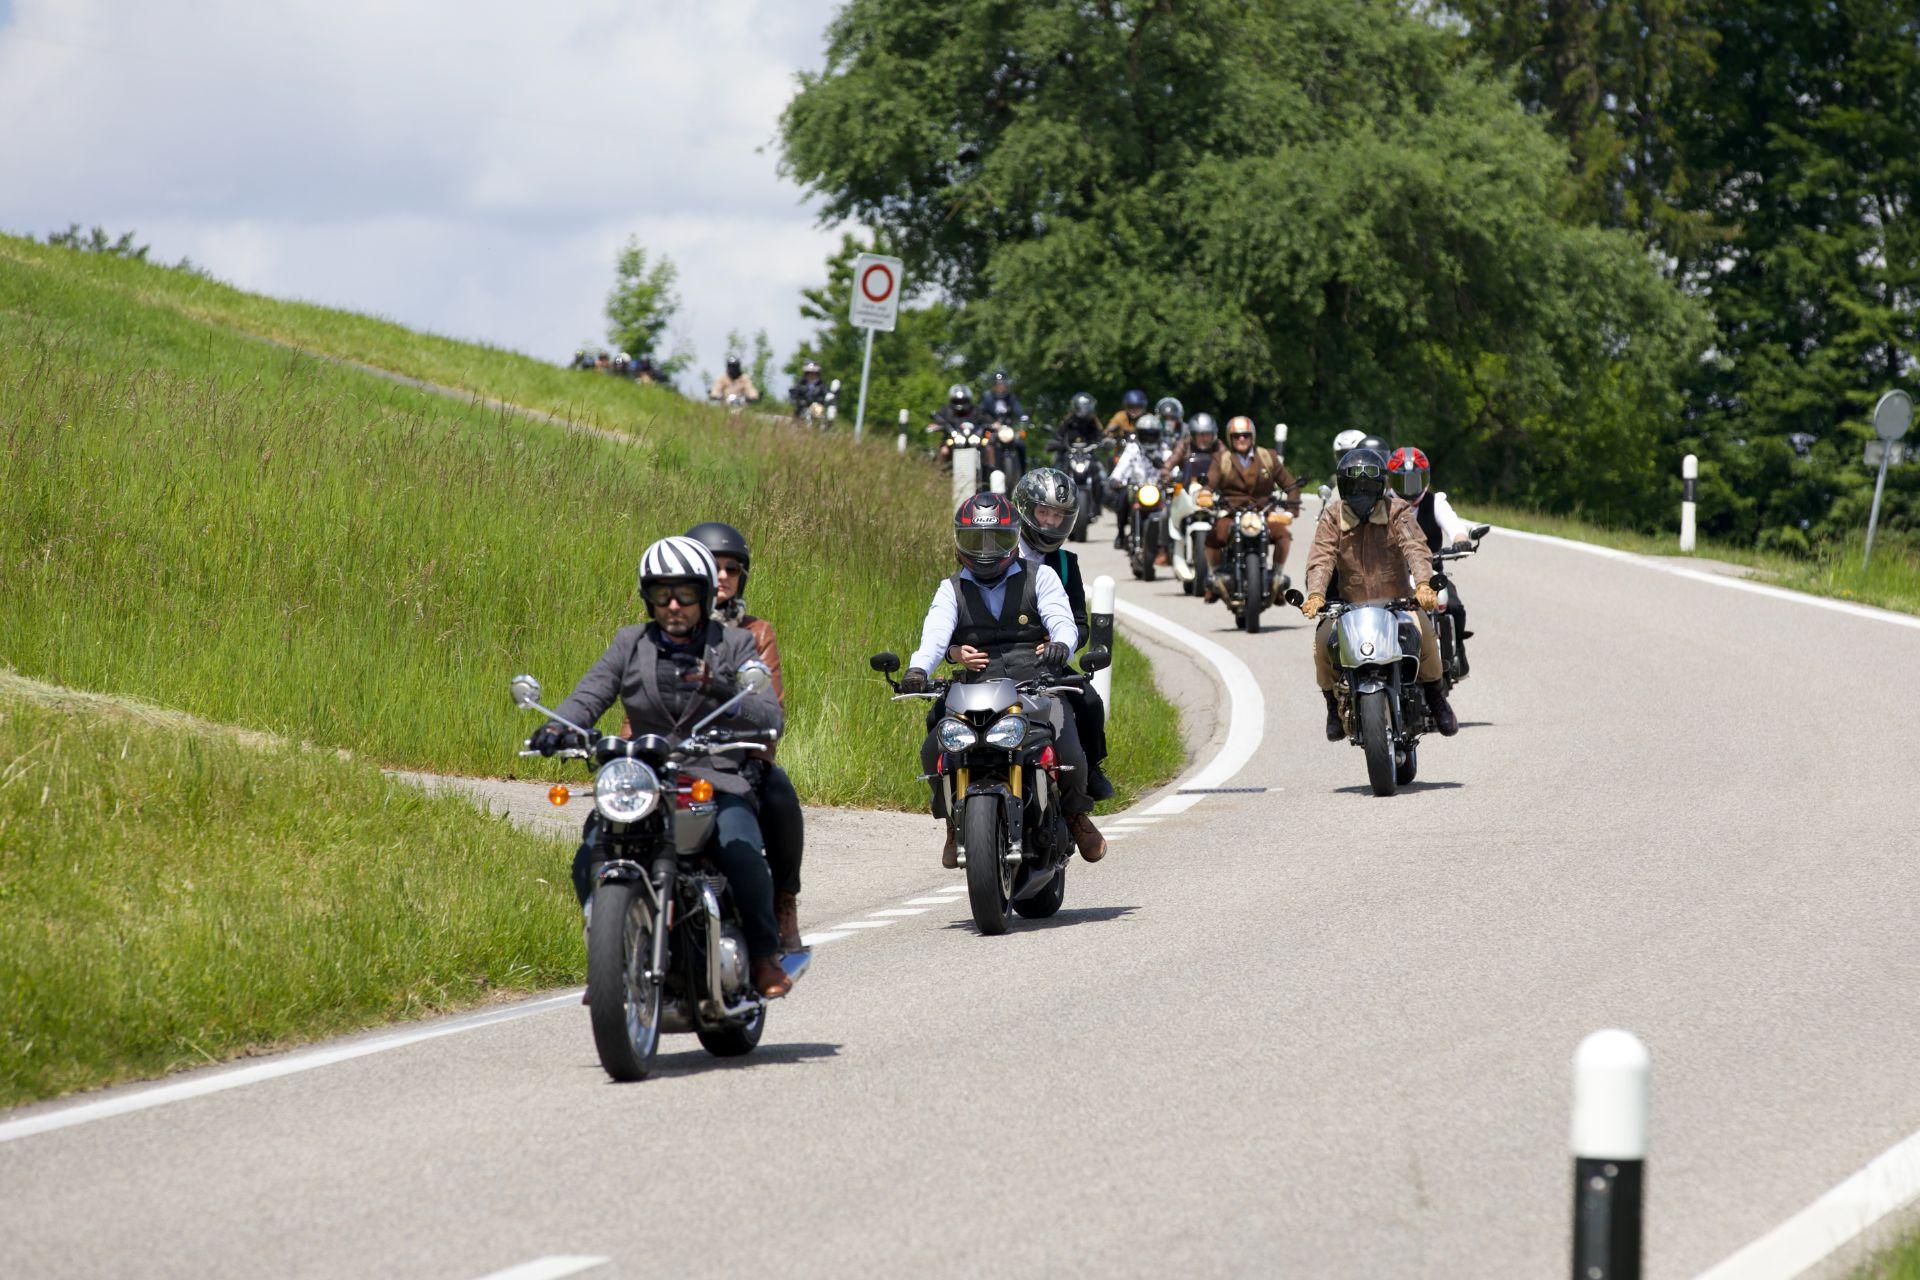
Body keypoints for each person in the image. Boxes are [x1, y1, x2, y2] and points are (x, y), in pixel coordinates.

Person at [532, 535, 791, 998]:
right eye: (661, 594)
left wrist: (722, 689)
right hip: (644, 777)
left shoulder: (734, 645)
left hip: (713, 777)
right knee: (589, 853)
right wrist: (558, 726)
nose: (674, 605)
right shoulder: (630, 643)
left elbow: (770, 715)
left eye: (686, 594)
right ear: (647, 598)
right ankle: (610, 954)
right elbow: (591, 692)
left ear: (705, 595)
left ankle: (763, 956)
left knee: (741, 852)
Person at [900, 494, 1107, 867]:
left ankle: (1075, 814)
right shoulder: (951, 589)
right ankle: (953, 823)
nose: (986, 551)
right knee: (933, 749)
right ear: (959, 541)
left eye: (996, 538)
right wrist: (918, 670)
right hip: (975, 689)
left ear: (1013, 538)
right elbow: (934, 638)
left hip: (1037, 683)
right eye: (975, 540)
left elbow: (1062, 619)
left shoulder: (1041, 575)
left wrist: (1061, 645)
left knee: (1070, 752)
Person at [1300, 450, 1458, 742]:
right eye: (1354, 486)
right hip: (1349, 606)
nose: (1361, 493)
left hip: (1397, 602)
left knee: (1426, 635)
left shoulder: (1397, 510)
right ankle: (1332, 708)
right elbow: (1321, 556)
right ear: (1343, 487)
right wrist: (1316, 594)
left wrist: (1424, 584)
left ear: (1381, 486)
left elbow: (1415, 547)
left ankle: (1437, 699)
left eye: (1368, 486)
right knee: (1322, 644)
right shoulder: (1332, 516)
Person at [1010, 468, 1113, 800]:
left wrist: (1062, 645)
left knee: (1090, 702)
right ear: (1025, 509)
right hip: (1001, 654)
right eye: (1044, 512)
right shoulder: (1000, 553)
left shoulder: (1067, 563)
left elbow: (1080, 623)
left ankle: (1091, 769)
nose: (1051, 523)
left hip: (1048, 661)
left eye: (1058, 516)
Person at [1388, 446, 1474, 677]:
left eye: (1414, 481)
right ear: (1392, 481)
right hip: (1392, 575)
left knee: (1454, 607)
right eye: (1403, 481)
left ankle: (1457, 653)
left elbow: (1453, 524)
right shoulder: (1382, 505)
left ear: (1424, 479)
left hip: (1431, 572)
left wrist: (1461, 540)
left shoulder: (1435, 502)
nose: (1409, 488)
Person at [1203, 416, 1301, 597]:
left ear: (1252, 436)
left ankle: (1277, 578)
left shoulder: (1268, 457)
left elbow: (1292, 486)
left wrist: (1289, 512)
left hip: (1264, 514)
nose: (1241, 439)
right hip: (1232, 513)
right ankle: (1216, 579)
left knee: (1283, 535)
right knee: (1212, 537)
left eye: (1246, 435)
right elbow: (1209, 483)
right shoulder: (1221, 459)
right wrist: (1205, 494)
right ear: (1230, 438)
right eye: (1236, 436)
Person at [1106, 412, 1167, 549]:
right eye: (1145, 435)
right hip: (1136, 488)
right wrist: (1115, 479)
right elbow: (1122, 465)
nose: (1149, 438)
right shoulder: (1132, 448)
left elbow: (1171, 467)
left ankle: (1168, 542)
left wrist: (1173, 475)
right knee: (1122, 500)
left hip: (1159, 490)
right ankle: (1121, 533)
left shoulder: (1164, 448)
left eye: (1152, 435)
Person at [1162, 411, 1221, 486]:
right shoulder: (1185, 444)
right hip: (1186, 487)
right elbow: (1171, 462)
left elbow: (1228, 462)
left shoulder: (1218, 446)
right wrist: (1166, 473)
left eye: (1208, 434)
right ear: (1193, 435)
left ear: (1213, 435)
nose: (1205, 438)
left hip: (1214, 487)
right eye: (1201, 434)